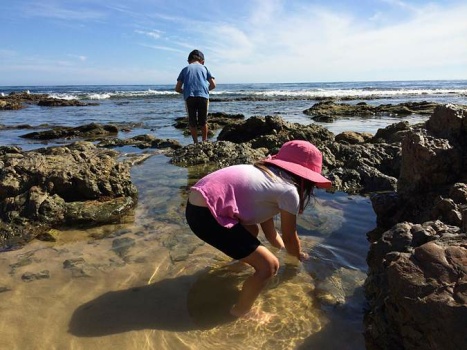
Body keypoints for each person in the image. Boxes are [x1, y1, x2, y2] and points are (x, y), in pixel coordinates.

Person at [185, 140, 332, 320]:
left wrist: (285, 251)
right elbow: (289, 236)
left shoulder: (267, 178)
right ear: (306, 179)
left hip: (196, 207)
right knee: (269, 266)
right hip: (207, 215)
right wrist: (294, 264)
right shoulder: (288, 191)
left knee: (251, 230)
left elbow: (271, 235)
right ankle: (242, 310)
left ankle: (234, 268)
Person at [175, 49, 216, 143]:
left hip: (190, 97)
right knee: (203, 121)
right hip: (203, 97)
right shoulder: (205, 68)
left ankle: (195, 143)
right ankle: (205, 141)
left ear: (188, 61)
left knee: (192, 122)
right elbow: (213, 85)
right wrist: (205, 91)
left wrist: (186, 92)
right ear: (203, 61)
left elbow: (177, 88)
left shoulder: (185, 69)